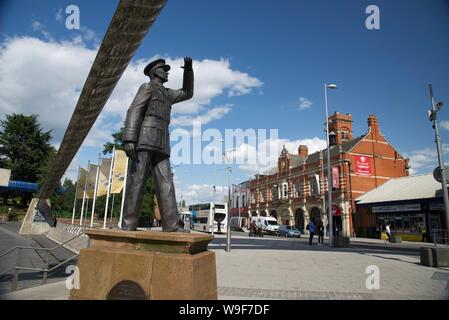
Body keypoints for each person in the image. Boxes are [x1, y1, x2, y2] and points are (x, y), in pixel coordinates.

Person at [121, 57, 194, 232]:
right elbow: (134, 110)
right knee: (136, 182)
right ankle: (128, 224)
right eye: (164, 69)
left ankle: (171, 224)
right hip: (145, 138)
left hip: (162, 140)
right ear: (154, 72)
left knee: (166, 182)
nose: (167, 72)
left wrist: (188, 71)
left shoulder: (167, 93)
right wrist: (130, 139)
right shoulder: (147, 87)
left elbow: (187, 93)